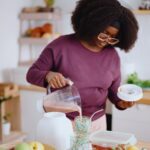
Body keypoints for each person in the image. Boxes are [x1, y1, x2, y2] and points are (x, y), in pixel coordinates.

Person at [26, 0, 139, 131]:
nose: (106, 41)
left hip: (97, 124)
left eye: (112, 38)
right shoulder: (60, 46)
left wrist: (122, 103)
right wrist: (48, 75)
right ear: (93, 24)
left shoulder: (112, 56)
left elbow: (114, 92)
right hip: (62, 122)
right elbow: (31, 74)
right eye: (103, 34)